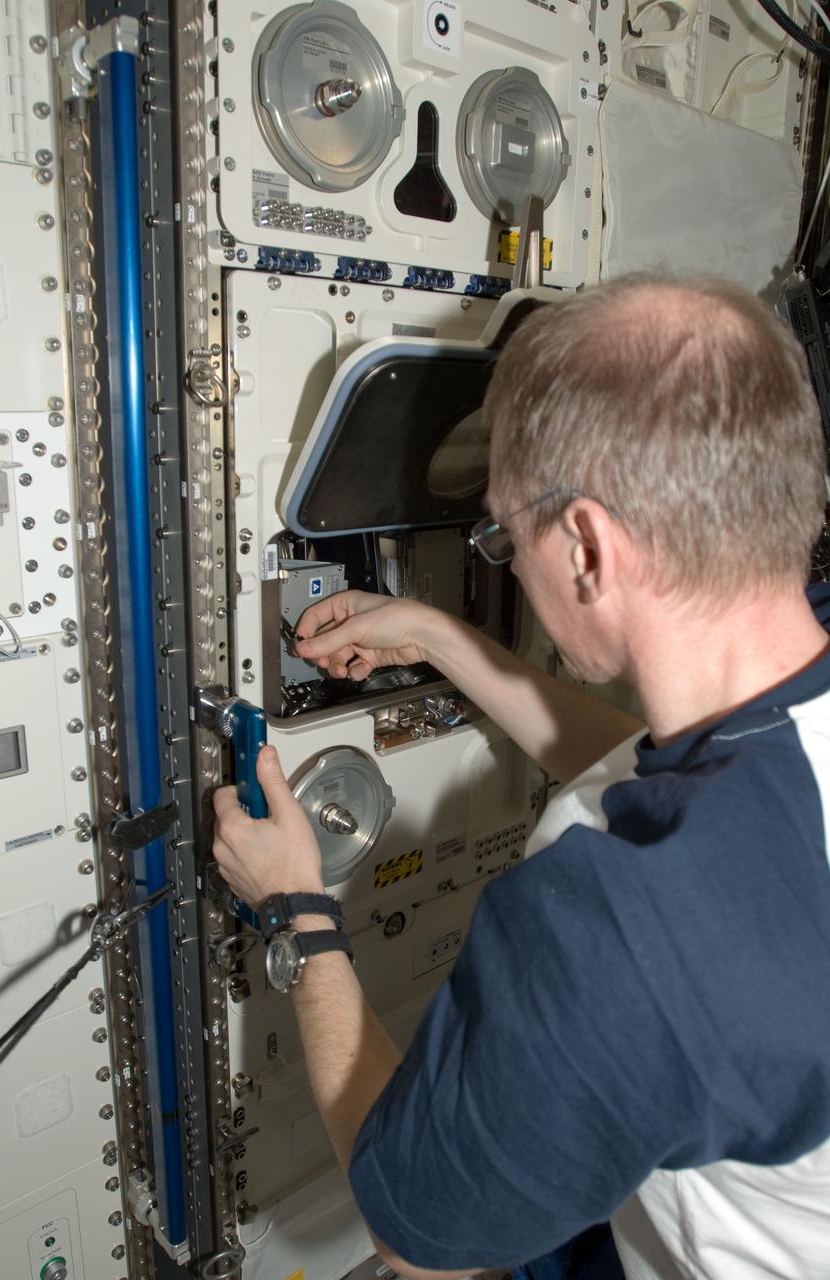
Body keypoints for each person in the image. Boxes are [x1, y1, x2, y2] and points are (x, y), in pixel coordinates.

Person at [212, 275, 830, 1280]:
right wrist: (434, 636)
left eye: (504, 536)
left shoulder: (629, 929)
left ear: (586, 544)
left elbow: (418, 1241)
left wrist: (295, 908)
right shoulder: (775, 727)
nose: (506, 560)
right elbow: (646, 756)